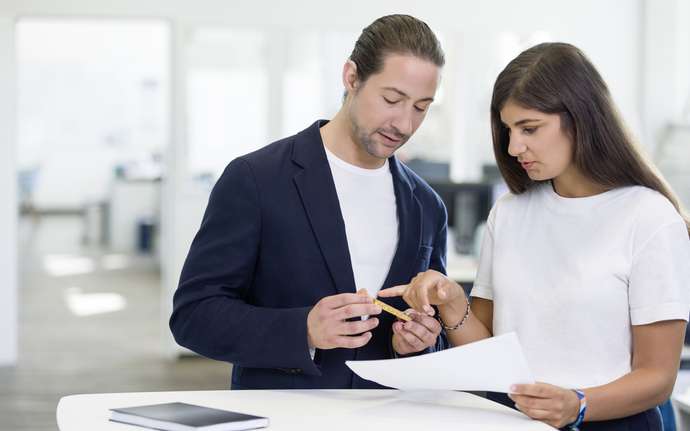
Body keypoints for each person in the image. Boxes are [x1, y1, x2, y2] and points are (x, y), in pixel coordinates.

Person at [379, 42, 690, 430]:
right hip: (510, 420)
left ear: (580, 119)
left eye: (530, 128)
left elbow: (657, 378)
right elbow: (488, 354)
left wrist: (578, 404)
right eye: (508, 130)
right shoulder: (508, 213)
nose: (513, 147)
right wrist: (454, 305)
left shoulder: (650, 218)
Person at [169, 14, 448, 390]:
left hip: (388, 418)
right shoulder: (256, 179)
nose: (404, 124)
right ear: (351, 77)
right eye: (392, 99)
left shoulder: (427, 206)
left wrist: (419, 343)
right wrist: (303, 330)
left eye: (421, 107)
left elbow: (436, 333)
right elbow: (193, 316)